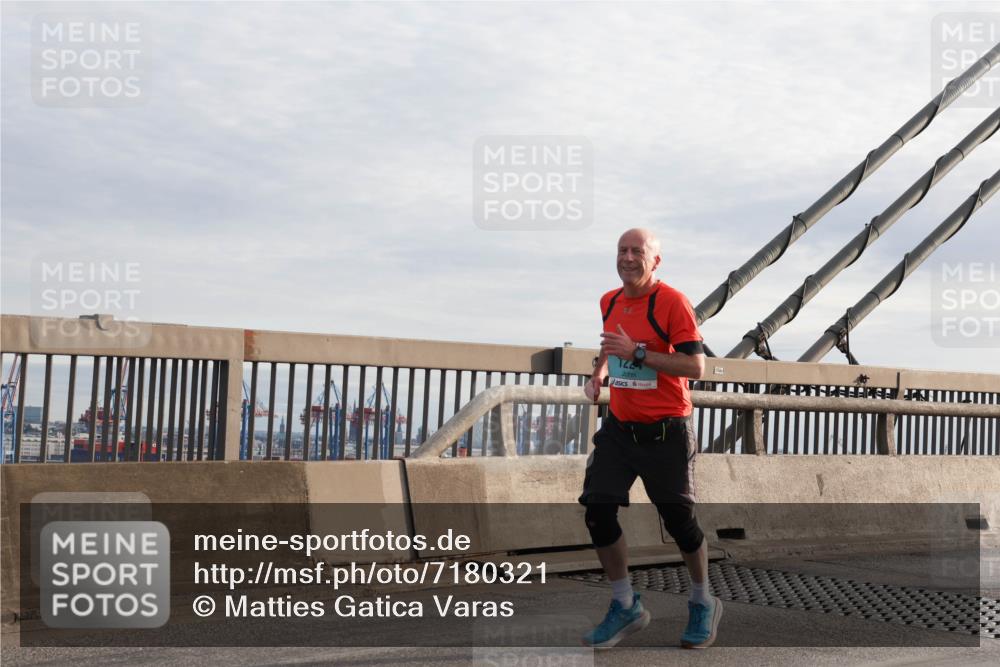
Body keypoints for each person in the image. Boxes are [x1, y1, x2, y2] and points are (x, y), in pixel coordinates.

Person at [579, 228, 722, 649]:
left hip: (666, 431)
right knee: (597, 510)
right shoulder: (609, 300)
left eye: (637, 251)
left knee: (679, 523)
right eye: (621, 250)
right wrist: (599, 374)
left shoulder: (673, 303)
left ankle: (702, 600)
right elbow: (610, 345)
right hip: (620, 430)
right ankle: (625, 604)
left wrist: (637, 353)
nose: (627, 257)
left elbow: (695, 367)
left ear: (654, 261)